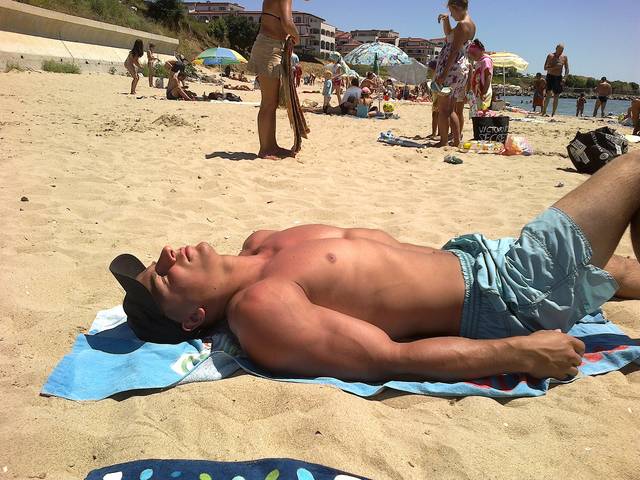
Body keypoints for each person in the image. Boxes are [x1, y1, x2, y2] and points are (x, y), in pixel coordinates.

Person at [111, 151, 640, 382]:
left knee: (618, 271)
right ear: (192, 318)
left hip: (478, 255)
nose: (167, 253)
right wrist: (518, 352)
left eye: (156, 261)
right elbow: (390, 359)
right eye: (163, 277)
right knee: (632, 170)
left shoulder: (261, 243)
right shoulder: (261, 308)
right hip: (511, 294)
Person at [247, 0, 299, 160]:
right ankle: (265, 149)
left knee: (272, 102)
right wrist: (297, 37)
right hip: (270, 47)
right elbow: (287, 23)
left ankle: (271, 146)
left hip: (270, 46)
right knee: (268, 103)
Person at [434, 0, 476, 147]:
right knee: (450, 109)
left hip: (452, 69)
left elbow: (453, 51)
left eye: (451, 12)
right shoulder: (470, 24)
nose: (451, 15)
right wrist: (446, 21)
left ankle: (444, 141)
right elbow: (450, 36)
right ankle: (457, 141)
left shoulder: (462, 25)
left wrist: (443, 74)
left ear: (457, 7)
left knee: (443, 109)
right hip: (460, 69)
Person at [542, 44, 569, 117]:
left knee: (556, 95)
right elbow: (545, 68)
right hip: (550, 76)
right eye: (560, 50)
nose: (561, 51)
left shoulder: (564, 57)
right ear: (556, 48)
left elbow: (567, 69)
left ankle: (553, 113)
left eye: (562, 50)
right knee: (548, 94)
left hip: (558, 77)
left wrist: (565, 78)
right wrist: (554, 67)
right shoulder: (550, 56)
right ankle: (544, 112)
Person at [467, 39, 493, 112]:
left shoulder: (486, 61)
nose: (472, 56)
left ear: (480, 51)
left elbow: (488, 77)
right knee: (476, 112)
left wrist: (484, 93)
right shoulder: (479, 61)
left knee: (481, 111)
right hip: (478, 92)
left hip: (483, 91)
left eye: (474, 54)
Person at [427, 61, 439, 138]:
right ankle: (436, 133)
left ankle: (435, 133)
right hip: (436, 98)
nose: (429, 71)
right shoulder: (435, 77)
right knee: (437, 116)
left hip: (438, 99)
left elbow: (439, 90)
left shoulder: (437, 77)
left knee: (436, 115)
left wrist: (437, 101)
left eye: (430, 69)